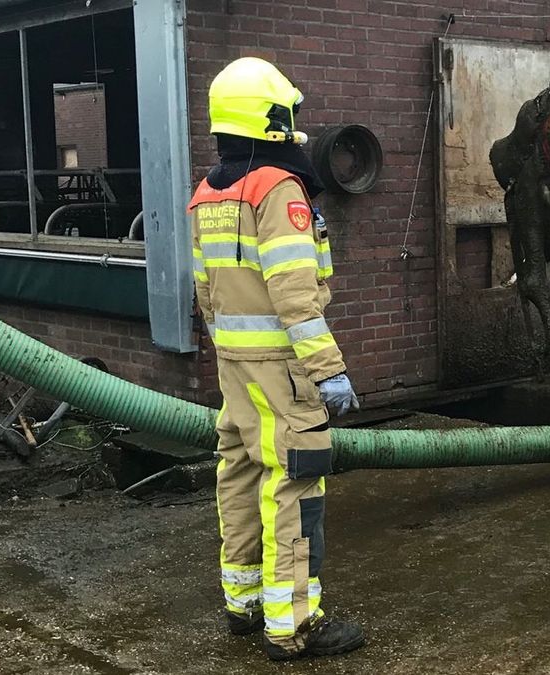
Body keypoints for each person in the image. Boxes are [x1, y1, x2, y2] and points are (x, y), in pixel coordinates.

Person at [189, 57, 363, 660]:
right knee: (293, 482)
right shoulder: (278, 189)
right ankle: (293, 625)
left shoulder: (208, 192)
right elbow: (296, 295)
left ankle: (243, 602)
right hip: (284, 370)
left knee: (237, 473)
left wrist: (231, 349)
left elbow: (205, 292)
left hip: (235, 365)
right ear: (272, 120)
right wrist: (329, 370)